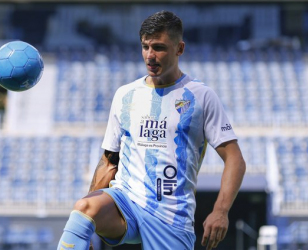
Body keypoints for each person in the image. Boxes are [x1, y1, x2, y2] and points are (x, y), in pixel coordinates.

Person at [57, 10, 246, 250]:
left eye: (159, 47)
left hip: (170, 216)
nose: (150, 56)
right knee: (83, 209)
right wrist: (89, 225)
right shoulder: (126, 94)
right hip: (126, 201)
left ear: (180, 49)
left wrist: (220, 211)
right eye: (145, 47)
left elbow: (235, 159)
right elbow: (109, 160)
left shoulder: (201, 96)